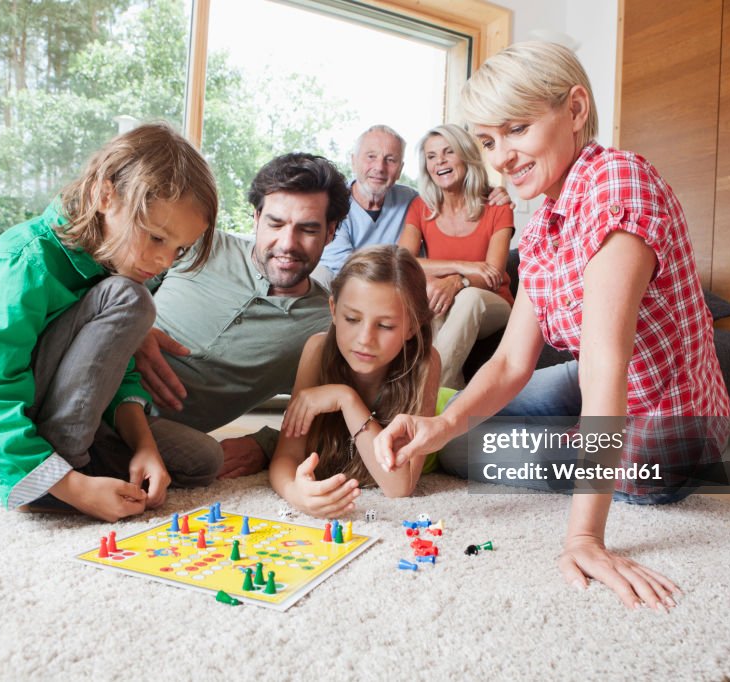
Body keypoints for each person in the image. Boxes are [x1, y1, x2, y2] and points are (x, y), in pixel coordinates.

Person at [374, 42, 730, 611]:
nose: (502, 158)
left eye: (517, 129)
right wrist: (440, 425)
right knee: (457, 421)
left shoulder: (619, 184)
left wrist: (585, 537)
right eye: (489, 141)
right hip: (601, 385)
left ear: (576, 109)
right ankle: (436, 419)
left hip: (664, 428)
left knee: (466, 456)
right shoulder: (543, 226)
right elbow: (511, 363)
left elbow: (606, 363)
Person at [0, 122, 221, 521]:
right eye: (156, 237)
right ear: (104, 195)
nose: (165, 261)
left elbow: (114, 372)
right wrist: (75, 489)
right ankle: (46, 477)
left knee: (203, 459)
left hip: (65, 415)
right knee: (130, 299)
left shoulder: (115, 260)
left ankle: (29, 474)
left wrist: (144, 446)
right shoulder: (20, 262)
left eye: (179, 249)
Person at [133, 152, 350, 477]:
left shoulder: (323, 325)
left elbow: (346, 419)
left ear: (330, 233)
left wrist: (266, 445)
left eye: (307, 229)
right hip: (104, 372)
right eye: (276, 223)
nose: (287, 244)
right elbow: (115, 285)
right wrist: (132, 331)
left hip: (154, 430)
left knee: (206, 459)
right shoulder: (199, 243)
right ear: (256, 218)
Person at [270, 245, 440, 517]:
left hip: (445, 411)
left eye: (384, 326)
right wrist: (295, 493)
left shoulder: (425, 362)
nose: (364, 339)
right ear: (333, 309)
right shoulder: (317, 351)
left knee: (476, 449)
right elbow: (287, 454)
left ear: (411, 327)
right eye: (351, 319)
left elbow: (398, 486)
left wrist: (346, 399)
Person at [314, 125, 512, 286]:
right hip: (350, 281)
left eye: (390, 160)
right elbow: (345, 266)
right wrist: (460, 267)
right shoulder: (333, 204)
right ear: (353, 161)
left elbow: (454, 190)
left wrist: (491, 191)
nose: (379, 167)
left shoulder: (412, 200)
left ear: (400, 169)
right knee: (320, 275)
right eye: (371, 156)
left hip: (400, 288)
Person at [398, 124, 515, 388]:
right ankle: (450, 394)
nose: (439, 161)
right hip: (445, 299)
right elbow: (403, 263)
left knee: (468, 298)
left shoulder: (497, 206)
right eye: (431, 156)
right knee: (432, 297)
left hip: (492, 302)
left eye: (448, 152)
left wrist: (458, 281)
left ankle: (424, 393)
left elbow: (494, 275)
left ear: (465, 155)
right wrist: (461, 267)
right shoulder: (421, 207)